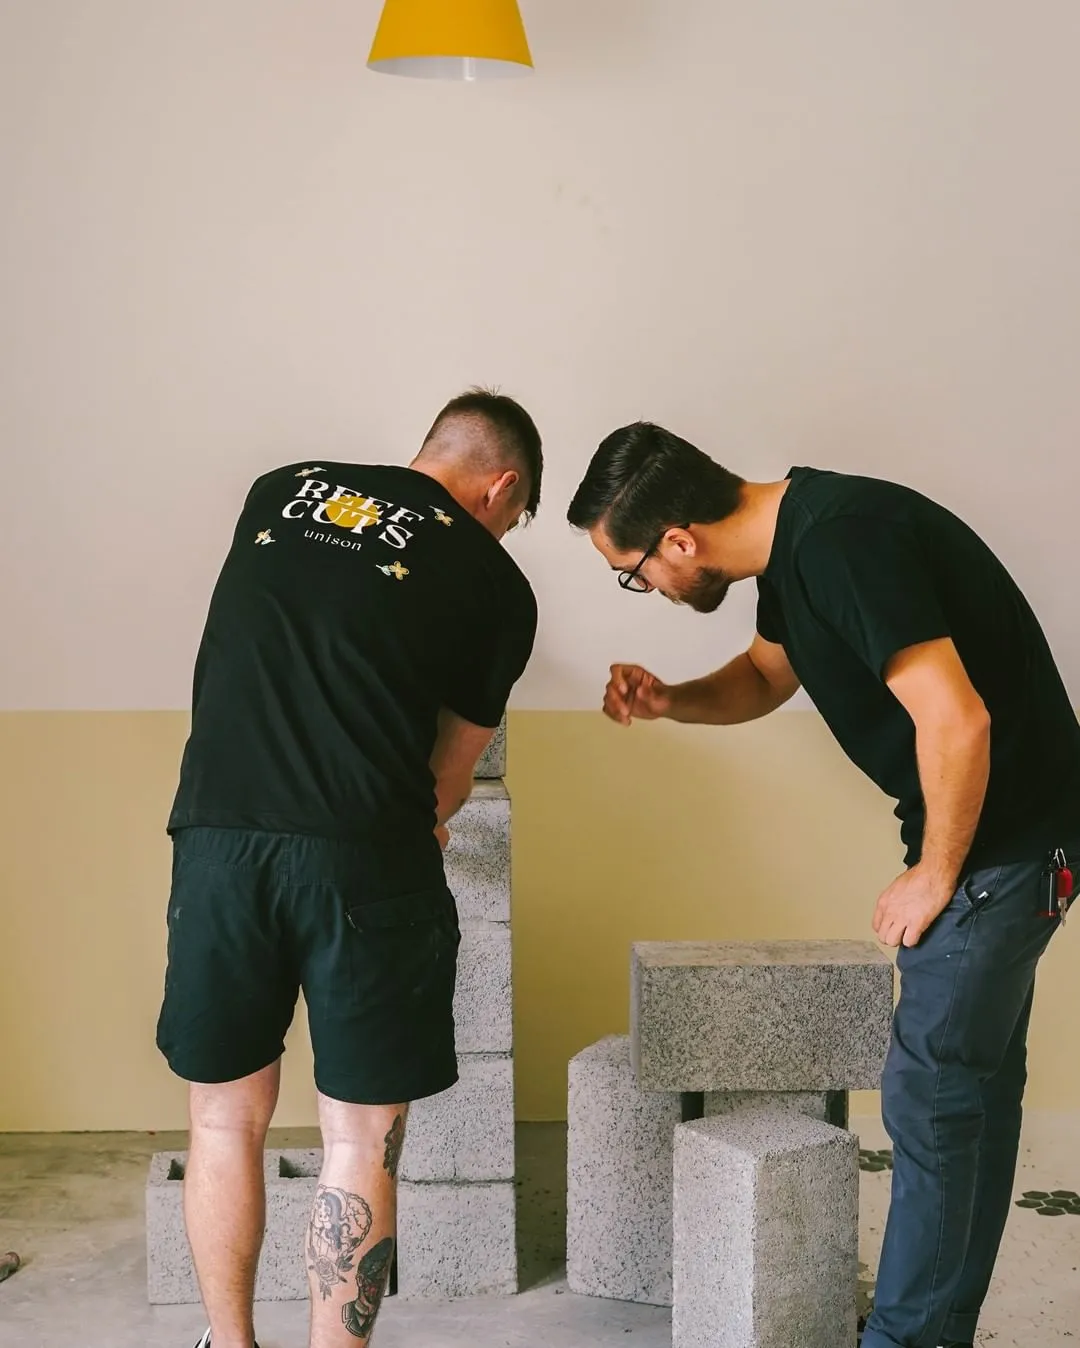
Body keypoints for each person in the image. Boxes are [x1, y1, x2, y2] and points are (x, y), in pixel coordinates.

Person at [567, 421, 1080, 1348]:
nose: (644, 588)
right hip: (1017, 842)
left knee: (930, 1099)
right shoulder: (797, 548)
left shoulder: (843, 541)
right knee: (967, 1095)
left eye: (634, 570)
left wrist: (934, 873)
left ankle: (908, 1336)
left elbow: (958, 720)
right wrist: (671, 698)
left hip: (1005, 850)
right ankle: (935, 1328)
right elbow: (766, 679)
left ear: (679, 539)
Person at [157, 389, 542, 1348]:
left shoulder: (280, 491)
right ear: (502, 487)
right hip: (366, 856)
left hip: (219, 839)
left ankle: (228, 1344)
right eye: (517, 517)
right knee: (358, 1138)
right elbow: (446, 779)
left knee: (221, 1123)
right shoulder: (498, 589)